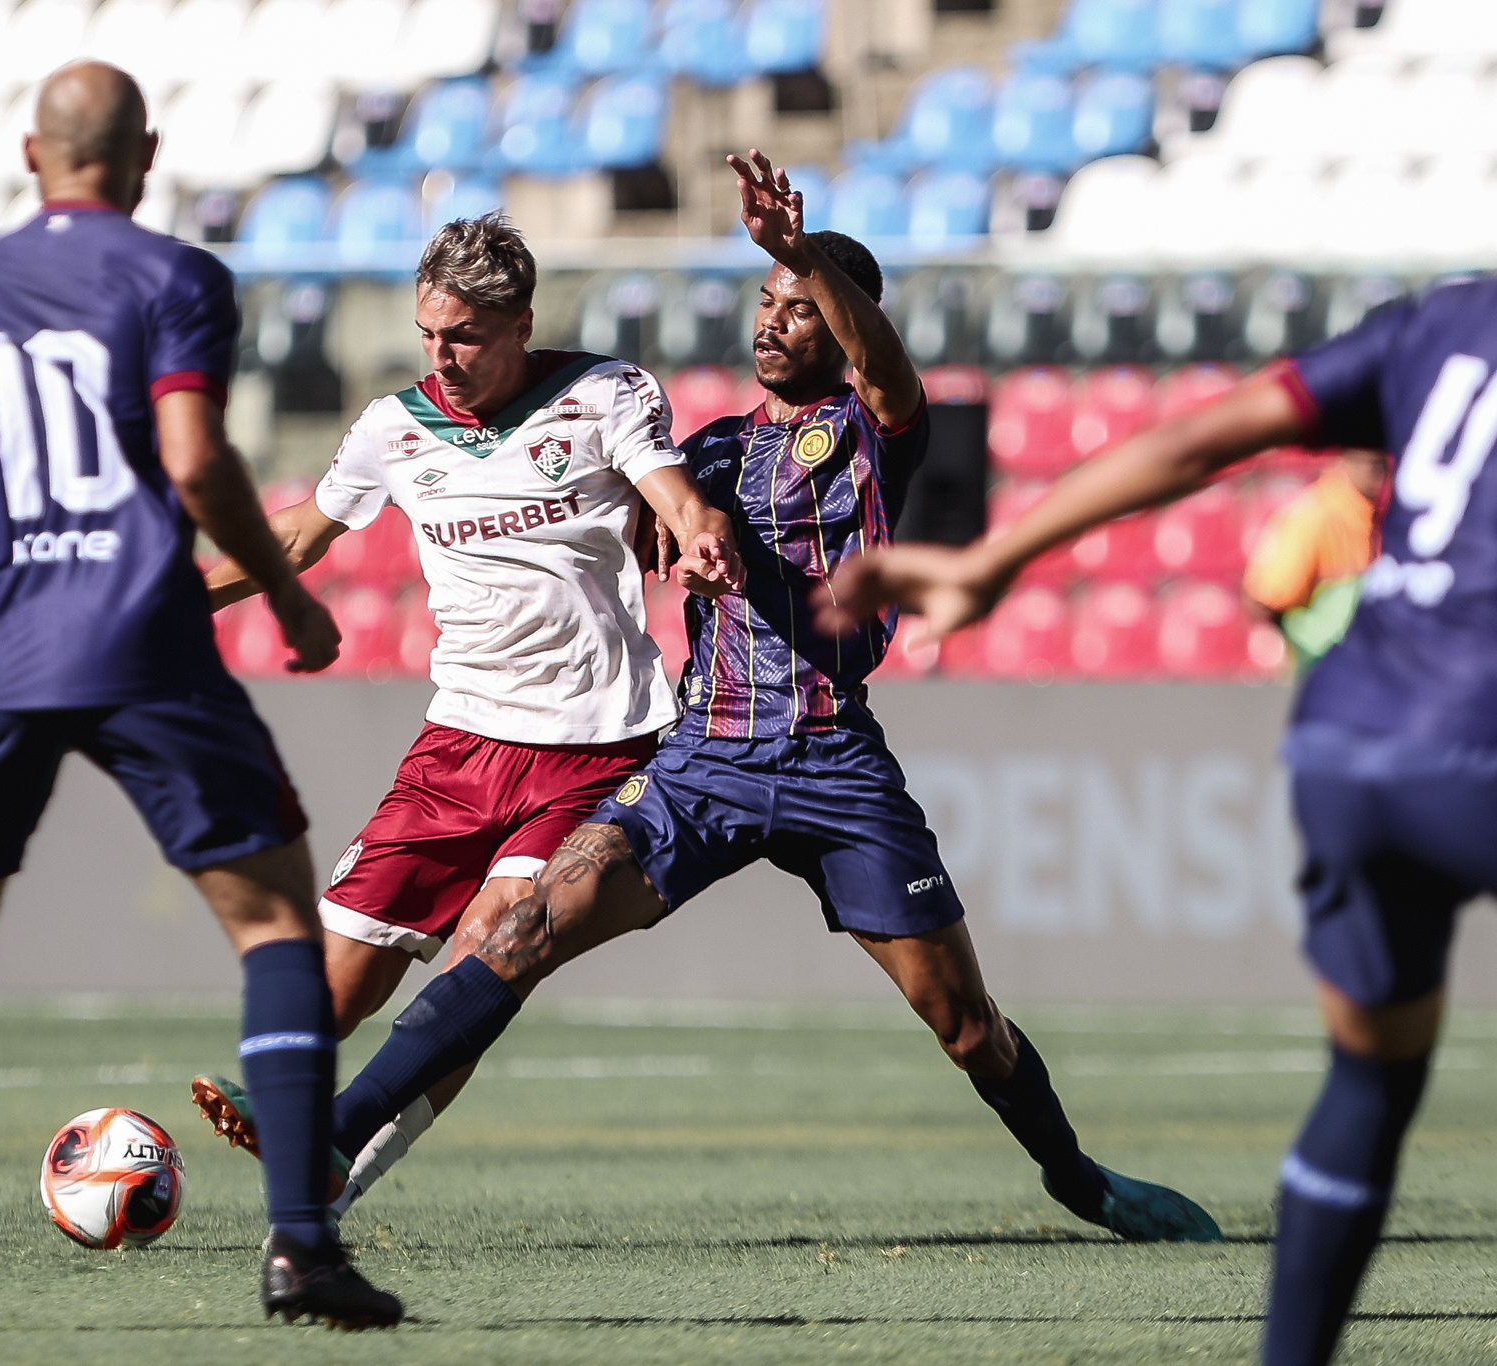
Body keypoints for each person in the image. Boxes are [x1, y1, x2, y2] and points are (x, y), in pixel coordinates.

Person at [191, 151, 1221, 1245]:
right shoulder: (714, 446)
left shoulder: (878, 430)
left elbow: (885, 376)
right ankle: (341, 1127)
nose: (775, 321)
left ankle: (1072, 1174)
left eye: (801, 309)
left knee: (964, 1025)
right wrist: (664, 522)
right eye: (767, 302)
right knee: (527, 923)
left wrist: (802, 253)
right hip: (700, 758)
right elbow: (647, 499)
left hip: (833, 763)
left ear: (839, 317)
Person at [822, 273, 1497, 1366]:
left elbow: (1199, 436)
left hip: (1356, 732)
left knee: (1371, 1077)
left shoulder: (1448, 316)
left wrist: (993, 559)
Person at [0, 61, 401, 1331]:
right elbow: (195, 459)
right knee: (269, 928)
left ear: (32, 154)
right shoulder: (174, 276)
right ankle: (301, 1250)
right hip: (142, 634)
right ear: (141, 155)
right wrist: (292, 597)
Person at [193, 213, 741, 1220]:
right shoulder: (392, 427)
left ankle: (331, 1181)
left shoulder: (604, 393)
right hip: (459, 743)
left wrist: (696, 524)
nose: (440, 357)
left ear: (520, 324)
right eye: (428, 334)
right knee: (338, 988)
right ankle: (286, 1112)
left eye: (464, 338)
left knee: (486, 956)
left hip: (592, 744)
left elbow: (667, 485)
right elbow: (307, 531)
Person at [1243, 448, 1388, 671]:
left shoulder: (1379, 518)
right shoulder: (1314, 517)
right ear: (1344, 460)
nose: (1376, 473)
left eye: (1382, 466)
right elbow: (1266, 598)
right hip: (1317, 663)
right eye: (1370, 464)